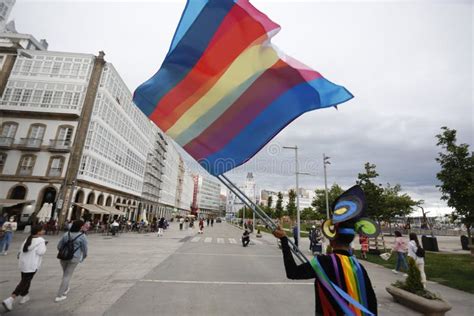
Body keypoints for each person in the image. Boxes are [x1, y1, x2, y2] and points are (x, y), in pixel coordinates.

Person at [2, 225, 47, 311]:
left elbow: (21, 250)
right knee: (24, 282)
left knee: (26, 280)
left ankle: (25, 295)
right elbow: (41, 252)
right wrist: (45, 245)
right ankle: (11, 298)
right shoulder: (41, 240)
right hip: (32, 264)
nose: (44, 231)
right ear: (38, 232)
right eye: (42, 230)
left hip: (24, 263)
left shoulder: (28, 238)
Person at [55, 220, 88, 302]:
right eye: (83, 225)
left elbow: (59, 246)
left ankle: (65, 289)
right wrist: (83, 257)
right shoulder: (82, 236)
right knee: (67, 276)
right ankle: (59, 295)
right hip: (74, 258)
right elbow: (85, 249)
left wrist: (65, 252)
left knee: (65, 274)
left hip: (63, 258)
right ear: (81, 227)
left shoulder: (66, 234)